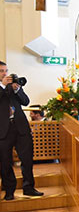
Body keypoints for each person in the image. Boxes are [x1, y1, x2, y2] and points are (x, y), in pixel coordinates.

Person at [0, 62, 43, 200]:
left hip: (21, 127)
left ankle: (29, 188)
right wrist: (3, 86)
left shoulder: (14, 86)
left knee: (27, 159)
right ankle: (9, 190)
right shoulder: (3, 87)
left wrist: (17, 89)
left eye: (6, 70)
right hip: (3, 130)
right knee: (5, 162)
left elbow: (25, 101)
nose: (5, 74)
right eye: (1, 71)